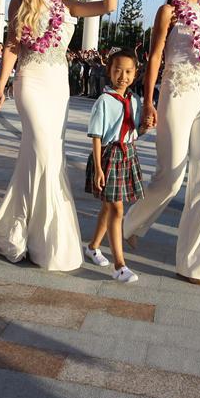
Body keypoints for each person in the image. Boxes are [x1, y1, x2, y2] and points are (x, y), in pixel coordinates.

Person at [0, 0, 116, 271]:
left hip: (58, 84)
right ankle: (43, 239)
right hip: (30, 80)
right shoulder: (21, 0)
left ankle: (26, 229)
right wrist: (0, 86)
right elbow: (12, 47)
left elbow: (107, 5)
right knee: (44, 150)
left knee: (44, 155)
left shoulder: (67, 5)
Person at [123, 0, 200, 285]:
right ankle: (125, 227)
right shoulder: (168, 11)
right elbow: (154, 57)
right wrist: (148, 102)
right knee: (171, 177)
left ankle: (193, 265)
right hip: (176, 91)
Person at [84, 50, 148, 283]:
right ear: (109, 71)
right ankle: (120, 265)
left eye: (128, 71)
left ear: (136, 73)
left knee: (108, 208)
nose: (123, 76)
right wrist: (99, 168)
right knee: (117, 209)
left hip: (128, 154)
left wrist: (145, 127)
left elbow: (135, 130)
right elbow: (97, 137)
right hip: (109, 156)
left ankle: (92, 247)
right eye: (117, 70)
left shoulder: (134, 100)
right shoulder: (104, 101)